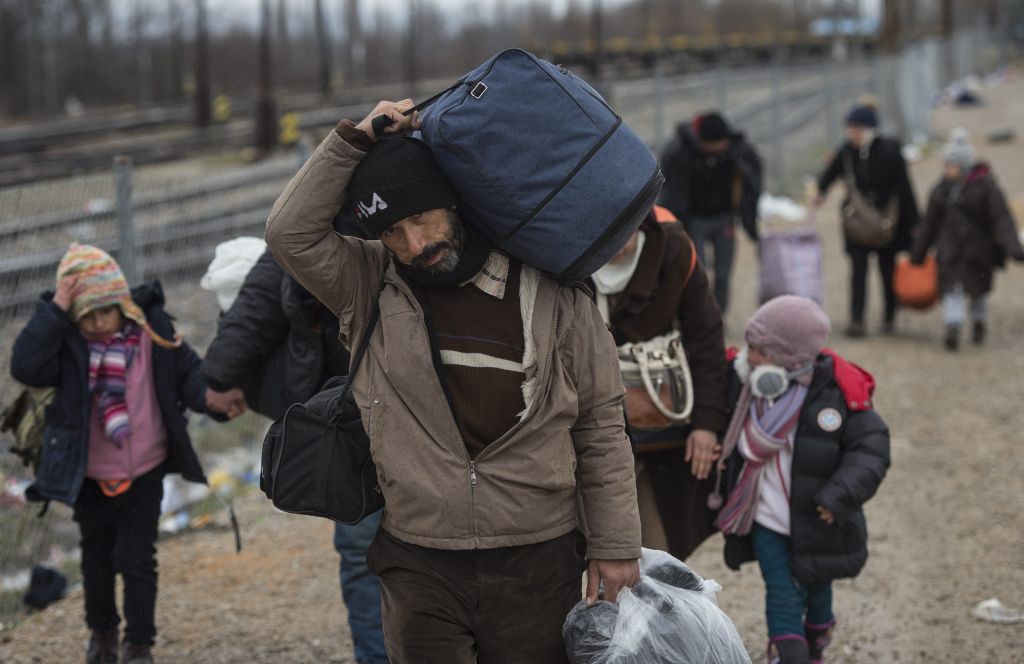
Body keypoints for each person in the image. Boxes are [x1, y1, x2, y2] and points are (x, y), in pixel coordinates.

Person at [264, 100, 642, 664]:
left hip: (538, 558)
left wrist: (614, 546)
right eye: (392, 230)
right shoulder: (367, 283)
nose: (415, 245)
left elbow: (600, 423)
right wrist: (356, 139)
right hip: (420, 561)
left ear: (456, 202)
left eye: (422, 218)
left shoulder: (555, 291)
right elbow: (288, 233)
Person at [9, 244, 229, 664]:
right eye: (84, 315)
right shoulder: (68, 345)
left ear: (123, 304)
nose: (95, 324)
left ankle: (139, 643)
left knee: (137, 558)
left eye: (103, 313)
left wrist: (213, 400)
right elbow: (24, 365)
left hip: (145, 468)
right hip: (90, 474)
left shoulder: (152, 329)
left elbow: (188, 376)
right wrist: (57, 308)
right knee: (96, 558)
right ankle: (103, 635)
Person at [202, 247, 390, 664]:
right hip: (367, 404)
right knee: (372, 546)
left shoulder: (324, 206)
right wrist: (223, 370)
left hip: (375, 401)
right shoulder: (325, 207)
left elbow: (270, 277)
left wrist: (222, 372)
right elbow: (273, 273)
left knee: (373, 549)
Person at [711, 296, 890, 664]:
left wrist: (840, 495)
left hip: (818, 517)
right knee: (780, 592)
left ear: (789, 359)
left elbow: (871, 450)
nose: (751, 357)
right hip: (765, 517)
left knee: (818, 590)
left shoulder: (837, 393)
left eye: (760, 350)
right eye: (750, 346)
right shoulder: (743, 384)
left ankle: (818, 635)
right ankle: (789, 654)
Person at [589, 206, 728, 560]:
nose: (616, 244)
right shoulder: (559, 248)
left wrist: (707, 424)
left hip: (660, 433)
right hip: (583, 432)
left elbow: (706, 339)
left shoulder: (674, 247)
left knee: (657, 556)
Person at [910, 128, 1024, 351]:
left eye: (950, 165)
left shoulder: (986, 188)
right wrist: (918, 253)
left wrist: (1014, 248)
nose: (946, 169)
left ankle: (979, 321)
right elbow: (929, 224)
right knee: (952, 289)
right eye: (946, 164)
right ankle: (953, 324)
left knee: (978, 291)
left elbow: (1002, 218)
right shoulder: (940, 190)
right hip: (949, 251)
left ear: (963, 166)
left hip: (979, 251)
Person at [816, 102, 920, 338]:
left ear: (871, 129)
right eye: (850, 128)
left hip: (887, 222)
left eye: (858, 128)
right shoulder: (846, 152)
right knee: (858, 272)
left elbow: (905, 187)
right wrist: (820, 193)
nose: (853, 133)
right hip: (857, 223)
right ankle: (857, 319)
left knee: (887, 270)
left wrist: (915, 223)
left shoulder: (890, 150)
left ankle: (889, 316)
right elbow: (828, 175)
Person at [658, 111, 763, 314]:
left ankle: (718, 314)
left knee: (723, 273)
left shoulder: (737, 151)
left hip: (724, 219)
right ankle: (698, 314)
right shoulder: (681, 151)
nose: (718, 149)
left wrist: (749, 221)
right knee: (697, 270)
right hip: (694, 221)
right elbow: (669, 188)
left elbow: (753, 183)